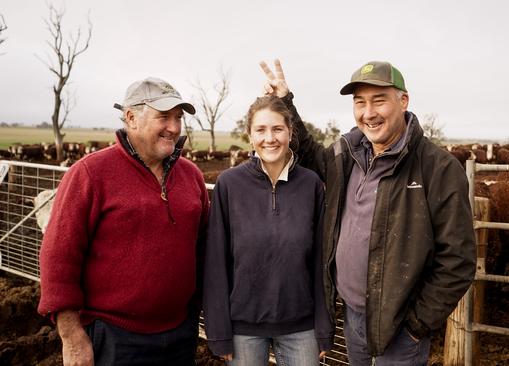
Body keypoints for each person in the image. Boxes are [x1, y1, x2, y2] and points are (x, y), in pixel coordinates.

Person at [260, 60, 476, 365]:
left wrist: (417, 325)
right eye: (359, 102)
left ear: (403, 101)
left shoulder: (437, 168)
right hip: (352, 315)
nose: (368, 112)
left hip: (401, 326)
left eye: (378, 100)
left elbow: (459, 260)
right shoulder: (346, 154)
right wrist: (285, 101)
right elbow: (309, 156)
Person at [38, 77, 210, 366]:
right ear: (131, 117)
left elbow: (204, 247)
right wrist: (71, 336)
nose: (175, 127)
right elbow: (59, 257)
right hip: (114, 337)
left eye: (179, 118)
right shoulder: (90, 174)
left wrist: (198, 312)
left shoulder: (191, 175)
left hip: (180, 333)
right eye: (164, 117)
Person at [202, 95, 333, 365]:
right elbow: (216, 262)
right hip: (243, 330)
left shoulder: (311, 185)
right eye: (260, 130)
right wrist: (219, 331)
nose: (269, 138)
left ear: (290, 132)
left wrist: (323, 327)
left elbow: (322, 262)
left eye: (277, 129)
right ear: (250, 135)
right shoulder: (229, 184)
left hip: (302, 328)